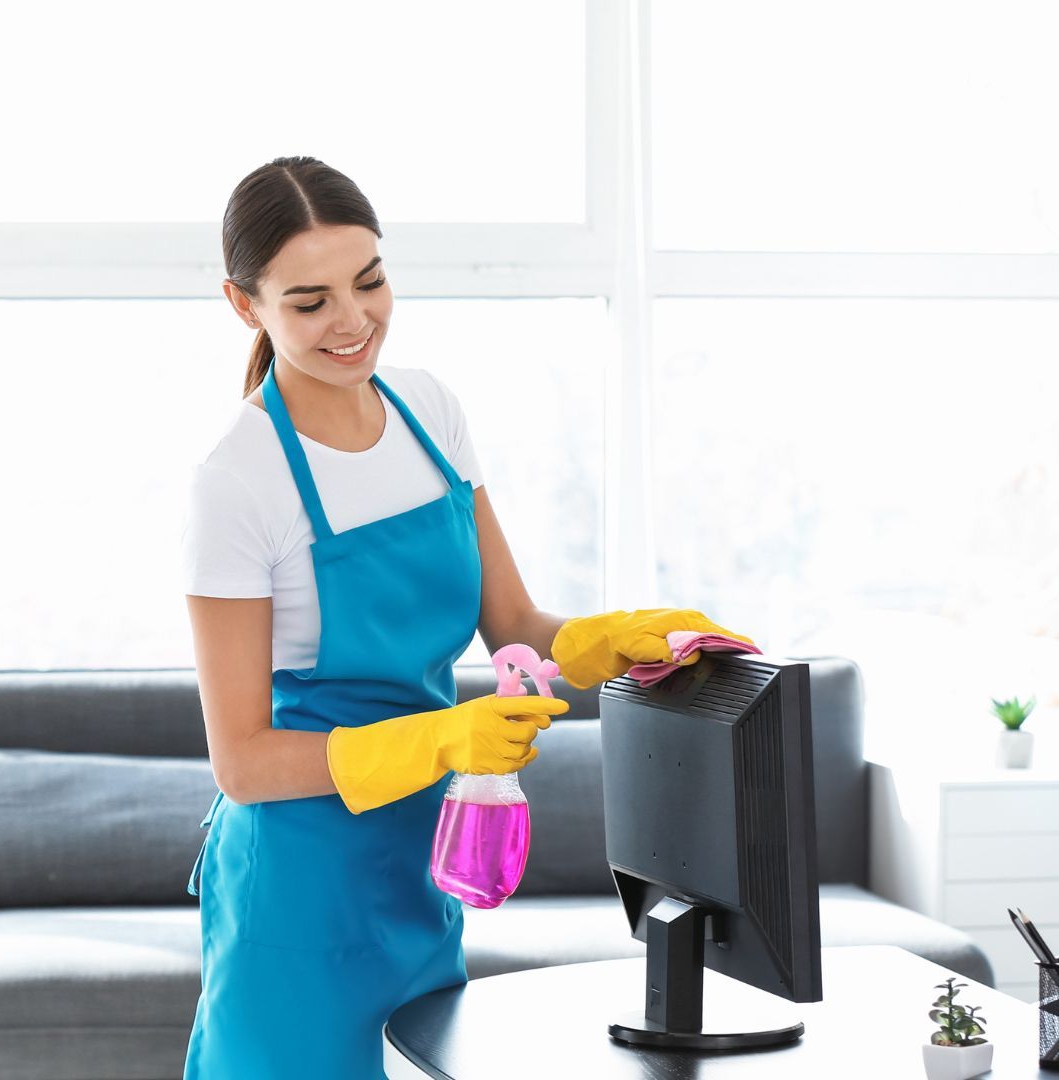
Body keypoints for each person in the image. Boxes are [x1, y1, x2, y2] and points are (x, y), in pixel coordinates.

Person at [179, 155, 753, 1079]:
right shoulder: (238, 481)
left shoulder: (427, 411)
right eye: (310, 300)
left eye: (369, 282)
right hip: (299, 892)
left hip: (427, 860)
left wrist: (615, 643)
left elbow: (514, 623)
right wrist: (444, 738)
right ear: (246, 305)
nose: (353, 321)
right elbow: (241, 761)